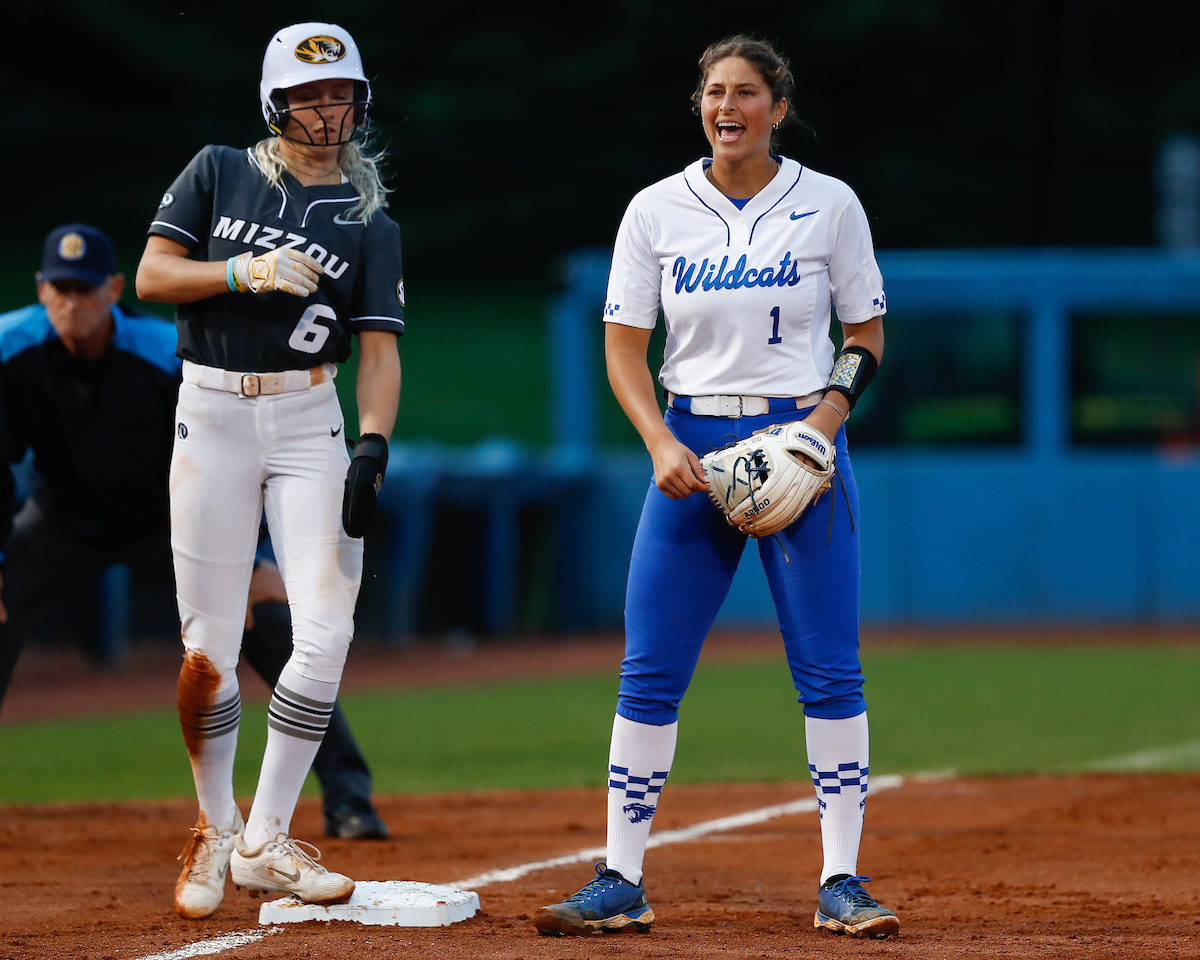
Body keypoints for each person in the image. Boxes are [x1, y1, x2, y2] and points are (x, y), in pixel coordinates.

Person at [534, 37, 897, 940]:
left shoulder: (829, 204)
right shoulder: (658, 209)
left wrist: (821, 429)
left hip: (799, 440)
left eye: (745, 92)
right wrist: (657, 439)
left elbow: (867, 335)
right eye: (712, 91)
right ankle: (621, 877)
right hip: (690, 444)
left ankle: (842, 880)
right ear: (699, 104)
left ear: (778, 105)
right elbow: (624, 346)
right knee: (649, 667)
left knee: (828, 667)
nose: (726, 105)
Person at [135, 21, 403, 920]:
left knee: (325, 627)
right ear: (274, 102)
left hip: (307, 418)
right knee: (208, 647)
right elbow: (151, 276)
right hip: (208, 409)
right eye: (307, 95)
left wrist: (374, 441)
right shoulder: (220, 169)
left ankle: (266, 836)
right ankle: (216, 826)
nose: (327, 111)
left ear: (359, 102)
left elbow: (380, 352)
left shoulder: (370, 223)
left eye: (340, 95)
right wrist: (242, 270)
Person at [0, 224, 389, 833]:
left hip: (168, 516)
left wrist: (258, 555)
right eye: (58, 287)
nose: (70, 301)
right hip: (61, 519)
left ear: (113, 288)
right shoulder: (11, 347)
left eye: (83, 287)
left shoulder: (164, 351)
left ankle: (347, 795)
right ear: (41, 289)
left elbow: (238, 449)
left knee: (265, 627)